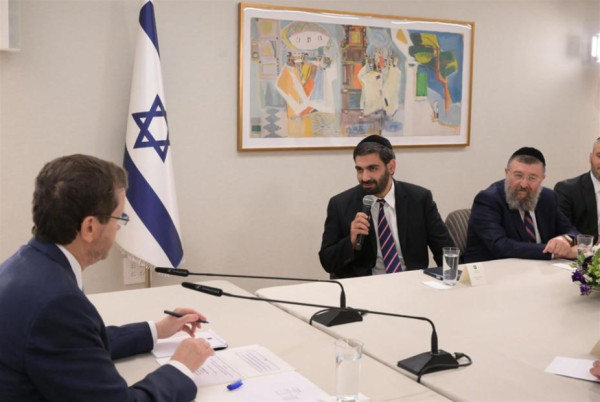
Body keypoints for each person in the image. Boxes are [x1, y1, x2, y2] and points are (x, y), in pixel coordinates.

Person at [0, 154, 214, 401]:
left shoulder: (28, 263)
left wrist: (155, 330)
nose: (119, 227)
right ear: (90, 227)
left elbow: (75, 344)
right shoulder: (57, 302)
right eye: (119, 218)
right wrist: (181, 367)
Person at [319, 135, 453, 278]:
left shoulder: (419, 199)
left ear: (391, 167)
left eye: (372, 168)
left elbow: (446, 251)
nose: (365, 177)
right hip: (365, 285)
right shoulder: (340, 204)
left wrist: (452, 281)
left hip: (411, 282)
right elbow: (327, 262)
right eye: (359, 170)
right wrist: (350, 241)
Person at [464, 147, 578, 263]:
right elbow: (501, 246)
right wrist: (554, 251)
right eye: (518, 175)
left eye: (532, 178)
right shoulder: (488, 199)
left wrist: (565, 239)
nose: (523, 184)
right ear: (507, 173)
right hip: (491, 268)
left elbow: (572, 231)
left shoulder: (548, 197)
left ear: (542, 179)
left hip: (539, 268)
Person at [554, 138, 600, 243]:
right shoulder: (567, 190)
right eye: (599, 156)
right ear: (591, 158)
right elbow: (564, 232)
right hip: (583, 252)